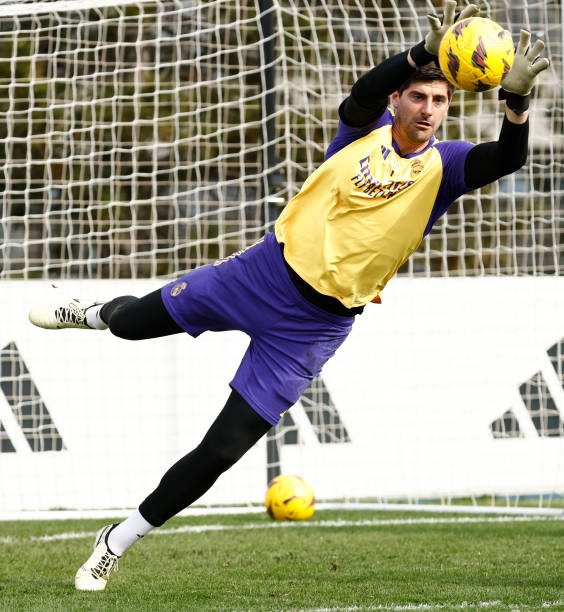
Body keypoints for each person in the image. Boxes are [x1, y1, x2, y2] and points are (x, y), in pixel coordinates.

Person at [28, 0, 549, 591]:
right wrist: (421, 55)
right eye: (418, 96)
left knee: (222, 451)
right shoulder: (363, 129)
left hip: (314, 328)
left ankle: (114, 542)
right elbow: (360, 93)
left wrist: (517, 101)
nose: (428, 109)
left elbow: (509, 157)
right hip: (262, 274)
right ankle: (92, 314)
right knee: (131, 326)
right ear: (398, 101)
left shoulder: (446, 166)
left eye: (440, 100)